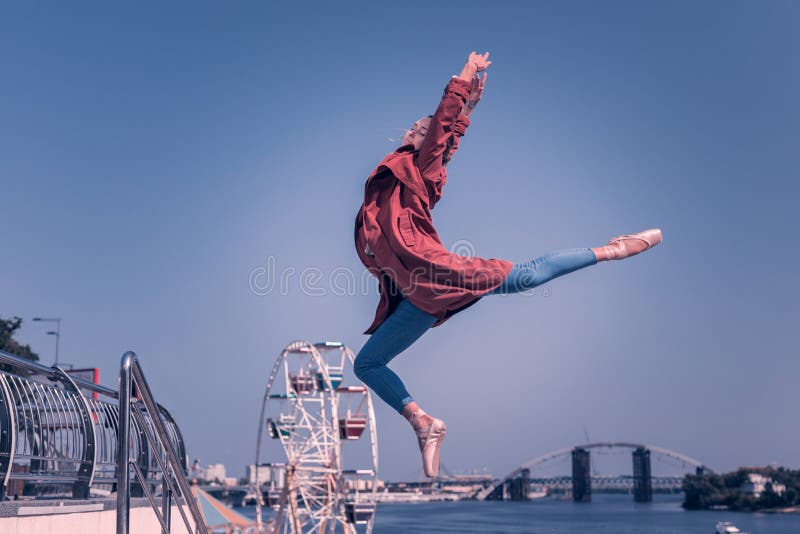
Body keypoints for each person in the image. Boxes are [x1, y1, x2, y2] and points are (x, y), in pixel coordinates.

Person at [353, 52, 662, 478]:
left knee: (528, 275)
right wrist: (469, 108)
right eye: (418, 126)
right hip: (415, 297)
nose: (420, 129)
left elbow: (445, 130)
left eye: (427, 130)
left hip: (440, 273)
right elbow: (447, 131)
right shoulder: (398, 171)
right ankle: (424, 424)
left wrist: (461, 84)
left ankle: (611, 250)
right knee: (366, 364)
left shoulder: (421, 172)